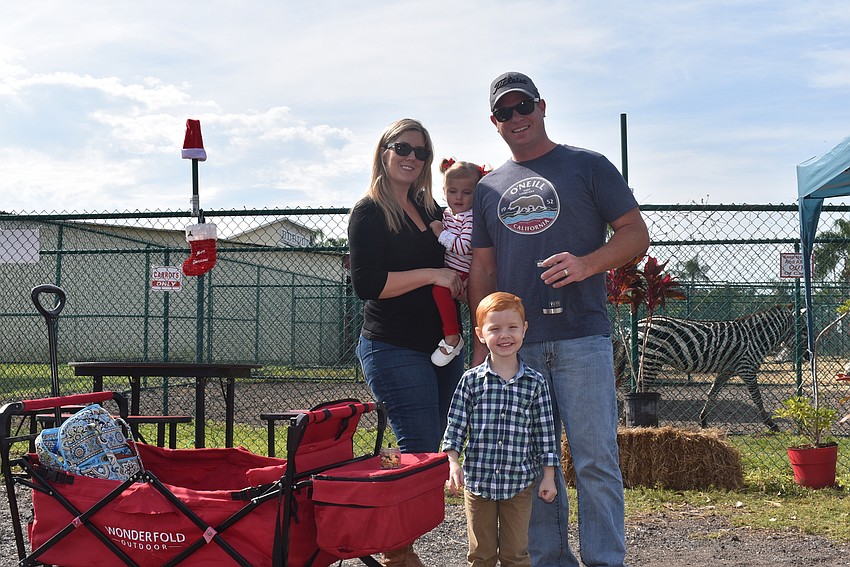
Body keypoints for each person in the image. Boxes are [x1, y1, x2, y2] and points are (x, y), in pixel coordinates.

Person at [468, 72, 650, 567]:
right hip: (516, 346)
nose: (515, 117)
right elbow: (482, 267)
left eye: (522, 105)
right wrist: (482, 341)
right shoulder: (488, 189)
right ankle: (548, 561)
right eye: (503, 112)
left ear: (542, 106)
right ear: (494, 122)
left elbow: (636, 233)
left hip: (582, 337)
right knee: (533, 464)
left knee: (595, 460)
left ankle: (606, 560)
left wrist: (588, 264)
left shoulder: (587, 166)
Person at [348, 118, 466, 567]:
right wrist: (433, 274)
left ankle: (391, 541)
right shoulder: (370, 211)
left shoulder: (430, 207)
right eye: (403, 148)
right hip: (392, 346)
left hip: (442, 347)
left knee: (432, 451)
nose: (411, 158)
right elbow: (367, 283)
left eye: (420, 152)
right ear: (384, 151)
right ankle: (397, 553)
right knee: (418, 449)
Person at [442, 291, 559, 567]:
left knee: (515, 554)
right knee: (480, 555)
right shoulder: (471, 382)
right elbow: (456, 425)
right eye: (495, 329)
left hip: (518, 484)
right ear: (481, 334)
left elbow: (545, 434)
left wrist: (549, 476)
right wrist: (453, 463)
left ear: (524, 330)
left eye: (512, 327)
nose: (504, 335)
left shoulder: (536, 383)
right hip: (478, 483)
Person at [429, 158, 488, 366]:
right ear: (444, 191)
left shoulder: (470, 217)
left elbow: (464, 246)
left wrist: (440, 233)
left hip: (463, 272)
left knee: (440, 291)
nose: (459, 197)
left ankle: (452, 337)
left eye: (467, 192)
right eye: (453, 191)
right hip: (452, 269)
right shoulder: (448, 214)